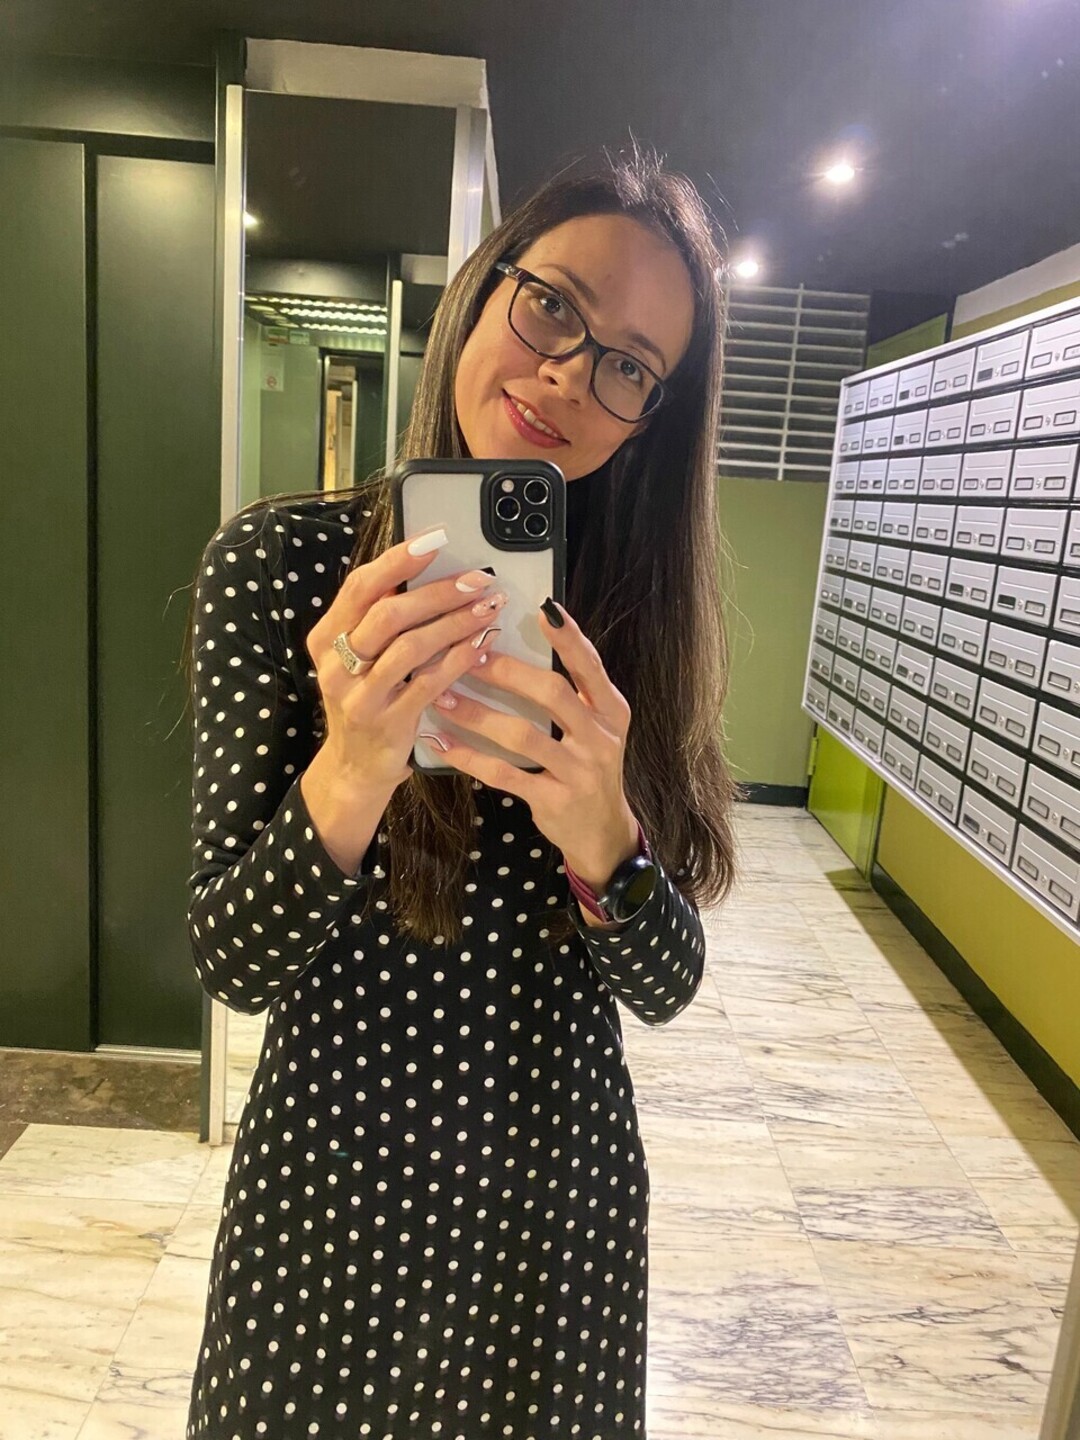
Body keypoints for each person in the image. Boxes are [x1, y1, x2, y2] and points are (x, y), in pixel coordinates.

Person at [185, 143, 737, 1440]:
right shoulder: (282, 567)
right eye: (554, 306)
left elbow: (666, 987)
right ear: (487, 288)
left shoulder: (637, 622)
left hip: (553, 1217)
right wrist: (353, 764)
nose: (569, 374)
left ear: (651, 416)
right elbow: (231, 962)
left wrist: (601, 829)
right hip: (330, 1207)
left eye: (630, 366)